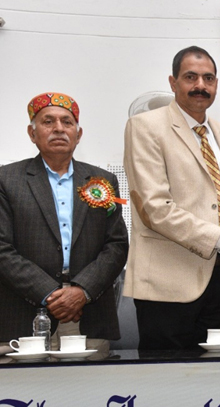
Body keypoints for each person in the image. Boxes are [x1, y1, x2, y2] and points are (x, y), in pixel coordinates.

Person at [123, 46, 220, 350]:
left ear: (217, 84)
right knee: (168, 381)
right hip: (170, 282)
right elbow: (154, 208)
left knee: (218, 381)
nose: (200, 86)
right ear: (173, 82)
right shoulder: (145, 127)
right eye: (190, 77)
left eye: (208, 78)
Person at [0, 92, 128, 349]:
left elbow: (116, 245)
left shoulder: (103, 181)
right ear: (32, 133)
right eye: (48, 121)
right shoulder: (7, 180)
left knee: (90, 390)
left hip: (87, 315)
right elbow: (2, 248)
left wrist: (81, 292)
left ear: (78, 135)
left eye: (67, 122)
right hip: (22, 317)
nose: (59, 128)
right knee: (22, 390)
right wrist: (49, 294)